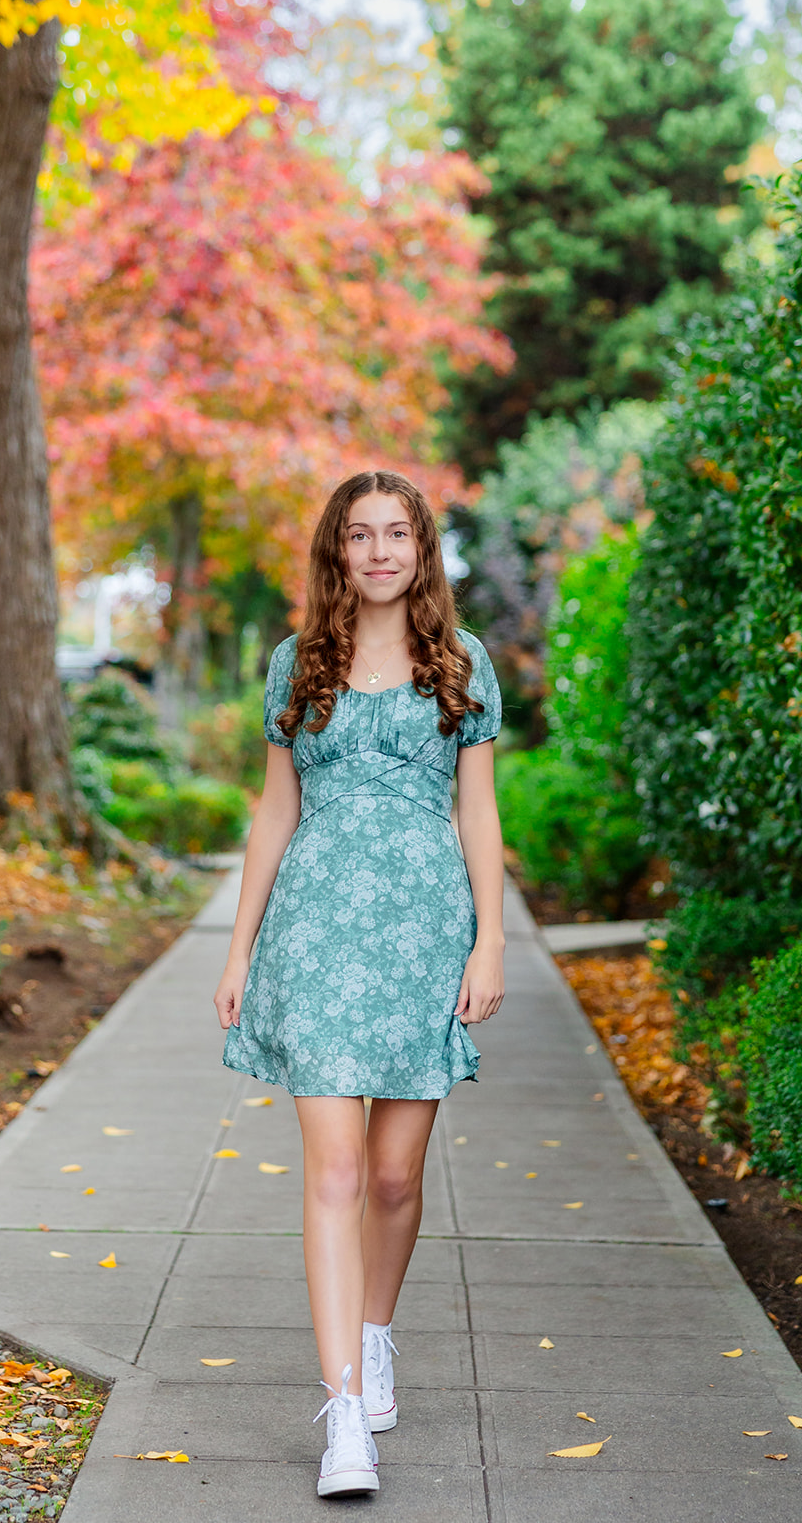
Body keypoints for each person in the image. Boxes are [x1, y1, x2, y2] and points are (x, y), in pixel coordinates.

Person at [213, 469, 505, 1499]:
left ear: (422, 552)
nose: (380, 551)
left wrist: (490, 941)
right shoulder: (299, 663)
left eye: (399, 534)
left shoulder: (461, 664)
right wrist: (242, 947)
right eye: (361, 534)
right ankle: (344, 1416)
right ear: (337, 551)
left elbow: (479, 812)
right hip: (320, 938)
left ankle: (376, 1333)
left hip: (424, 936)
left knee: (392, 1179)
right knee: (333, 1174)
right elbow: (272, 812)